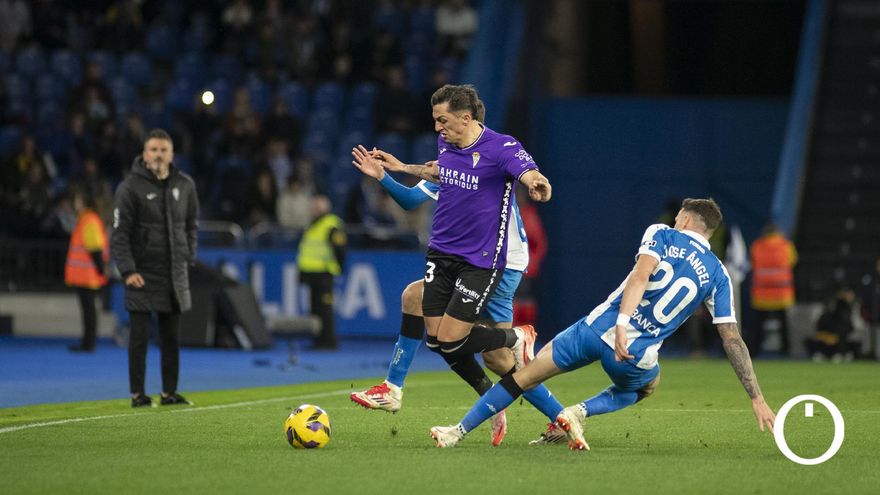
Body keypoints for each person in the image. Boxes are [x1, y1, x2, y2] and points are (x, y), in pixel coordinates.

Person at [429, 198, 776, 450]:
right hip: (634, 356)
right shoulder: (718, 274)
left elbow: (641, 275)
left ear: (684, 219)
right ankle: (578, 412)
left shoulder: (662, 233)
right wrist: (756, 396)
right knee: (645, 388)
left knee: (524, 376)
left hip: (594, 329)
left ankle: (455, 432)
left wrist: (622, 322)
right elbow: (731, 338)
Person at [352, 84, 562, 442]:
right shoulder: (450, 148)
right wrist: (390, 173)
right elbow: (414, 196)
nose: (437, 129)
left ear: (465, 118)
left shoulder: (498, 149)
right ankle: (396, 388)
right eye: (436, 121)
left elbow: (526, 171)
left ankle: (547, 403)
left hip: (499, 260)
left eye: (443, 120)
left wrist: (537, 182)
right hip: (461, 256)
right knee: (420, 307)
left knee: (493, 355)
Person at [112, 129, 199, 408]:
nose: (158, 155)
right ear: (144, 154)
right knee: (138, 338)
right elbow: (120, 234)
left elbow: (191, 226)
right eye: (153, 150)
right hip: (141, 273)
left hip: (172, 272)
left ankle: (168, 392)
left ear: (172, 154)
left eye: (163, 150)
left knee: (171, 337)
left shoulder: (185, 185)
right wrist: (127, 270)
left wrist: (188, 256)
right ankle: (138, 394)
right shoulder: (129, 188)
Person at [297, 195, 347, 350]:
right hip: (313, 273)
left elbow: (340, 249)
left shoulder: (331, 224)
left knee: (325, 310)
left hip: (324, 274)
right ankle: (318, 340)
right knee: (315, 309)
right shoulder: (314, 224)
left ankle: (328, 341)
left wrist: (337, 268)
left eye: (316, 207)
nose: (313, 210)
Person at [65, 189, 109, 353]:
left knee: (89, 311)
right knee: (88, 310)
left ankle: (88, 343)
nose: (74, 203)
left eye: (77, 200)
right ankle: (87, 342)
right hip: (86, 275)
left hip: (88, 275)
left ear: (83, 202)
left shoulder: (89, 220)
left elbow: (95, 247)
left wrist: (100, 270)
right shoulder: (85, 219)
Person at [749, 223, 798, 356]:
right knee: (784, 325)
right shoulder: (786, 246)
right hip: (782, 293)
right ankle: (786, 351)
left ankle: (754, 351)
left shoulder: (757, 246)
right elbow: (793, 261)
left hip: (761, 293)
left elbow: (752, 262)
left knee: (757, 326)